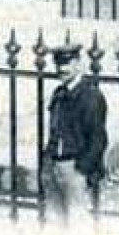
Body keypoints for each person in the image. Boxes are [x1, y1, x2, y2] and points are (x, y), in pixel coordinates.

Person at [43, 45, 108, 221]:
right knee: (54, 223)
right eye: (58, 64)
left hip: (74, 168)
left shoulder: (90, 96)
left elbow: (98, 139)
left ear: (78, 64)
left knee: (77, 224)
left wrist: (82, 171)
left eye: (67, 63)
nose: (62, 69)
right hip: (55, 167)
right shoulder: (59, 93)